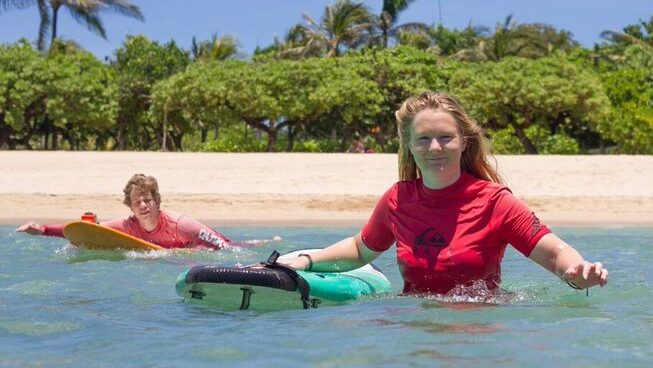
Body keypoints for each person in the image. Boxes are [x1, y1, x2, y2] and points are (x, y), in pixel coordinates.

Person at [283, 92, 608, 296]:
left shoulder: (495, 202)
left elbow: (553, 252)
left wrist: (577, 274)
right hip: (413, 330)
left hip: (479, 334)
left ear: (464, 141)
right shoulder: (398, 199)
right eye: (423, 139)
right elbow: (360, 249)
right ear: (409, 145)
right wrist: (304, 261)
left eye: (445, 137)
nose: (434, 148)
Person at [16, 173, 263, 250]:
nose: (143, 206)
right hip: (161, 252)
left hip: (196, 245)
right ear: (131, 207)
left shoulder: (181, 224)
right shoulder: (127, 225)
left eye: (147, 200)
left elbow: (223, 247)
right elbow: (89, 231)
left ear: (157, 201)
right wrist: (44, 230)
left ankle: (259, 242)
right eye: (137, 203)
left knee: (237, 244)